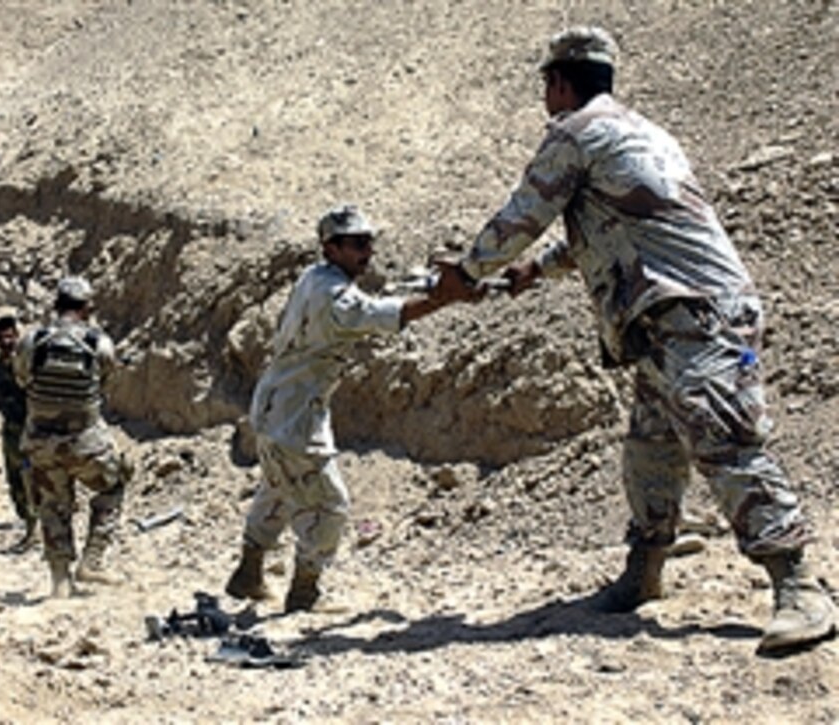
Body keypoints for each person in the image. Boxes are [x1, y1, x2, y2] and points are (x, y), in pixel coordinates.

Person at [438, 26, 834, 653]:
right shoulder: (639, 132)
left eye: (546, 82)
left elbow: (523, 214)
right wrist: (536, 269)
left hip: (693, 314)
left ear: (560, 82)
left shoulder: (573, 133)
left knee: (723, 441)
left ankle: (799, 587)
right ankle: (643, 573)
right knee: (650, 448)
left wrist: (464, 274)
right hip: (668, 319)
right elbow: (613, 222)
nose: (545, 92)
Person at [225, 204, 475, 613]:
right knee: (328, 505)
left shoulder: (317, 277)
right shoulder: (333, 297)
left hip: (276, 405)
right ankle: (304, 592)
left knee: (280, 486)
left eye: (369, 242)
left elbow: (376, 297)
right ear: (331, 248)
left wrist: (435, 286)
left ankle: (248, 573)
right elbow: (380, 314)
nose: (368, 251)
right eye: (358, 244)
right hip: (296, 417)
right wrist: (446, 297)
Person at [13, 276, 131, 598]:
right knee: (114, 485)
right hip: (85, 440)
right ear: (87, 308)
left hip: (40, 440)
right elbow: (105, 384)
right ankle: (92, 562)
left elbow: (22, 378)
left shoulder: (32, 340)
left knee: (52, 505)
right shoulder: (99, 343)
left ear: (56, 305)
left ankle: (60, 581)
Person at [0, 314, 37, 552]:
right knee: (15, 483)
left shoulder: (28, 364)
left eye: (11, 336)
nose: (7, 341)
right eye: (2, 337)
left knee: (30, 479)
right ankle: (29, 524)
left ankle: (35, 530)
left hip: (31, 430)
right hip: (10, 432)